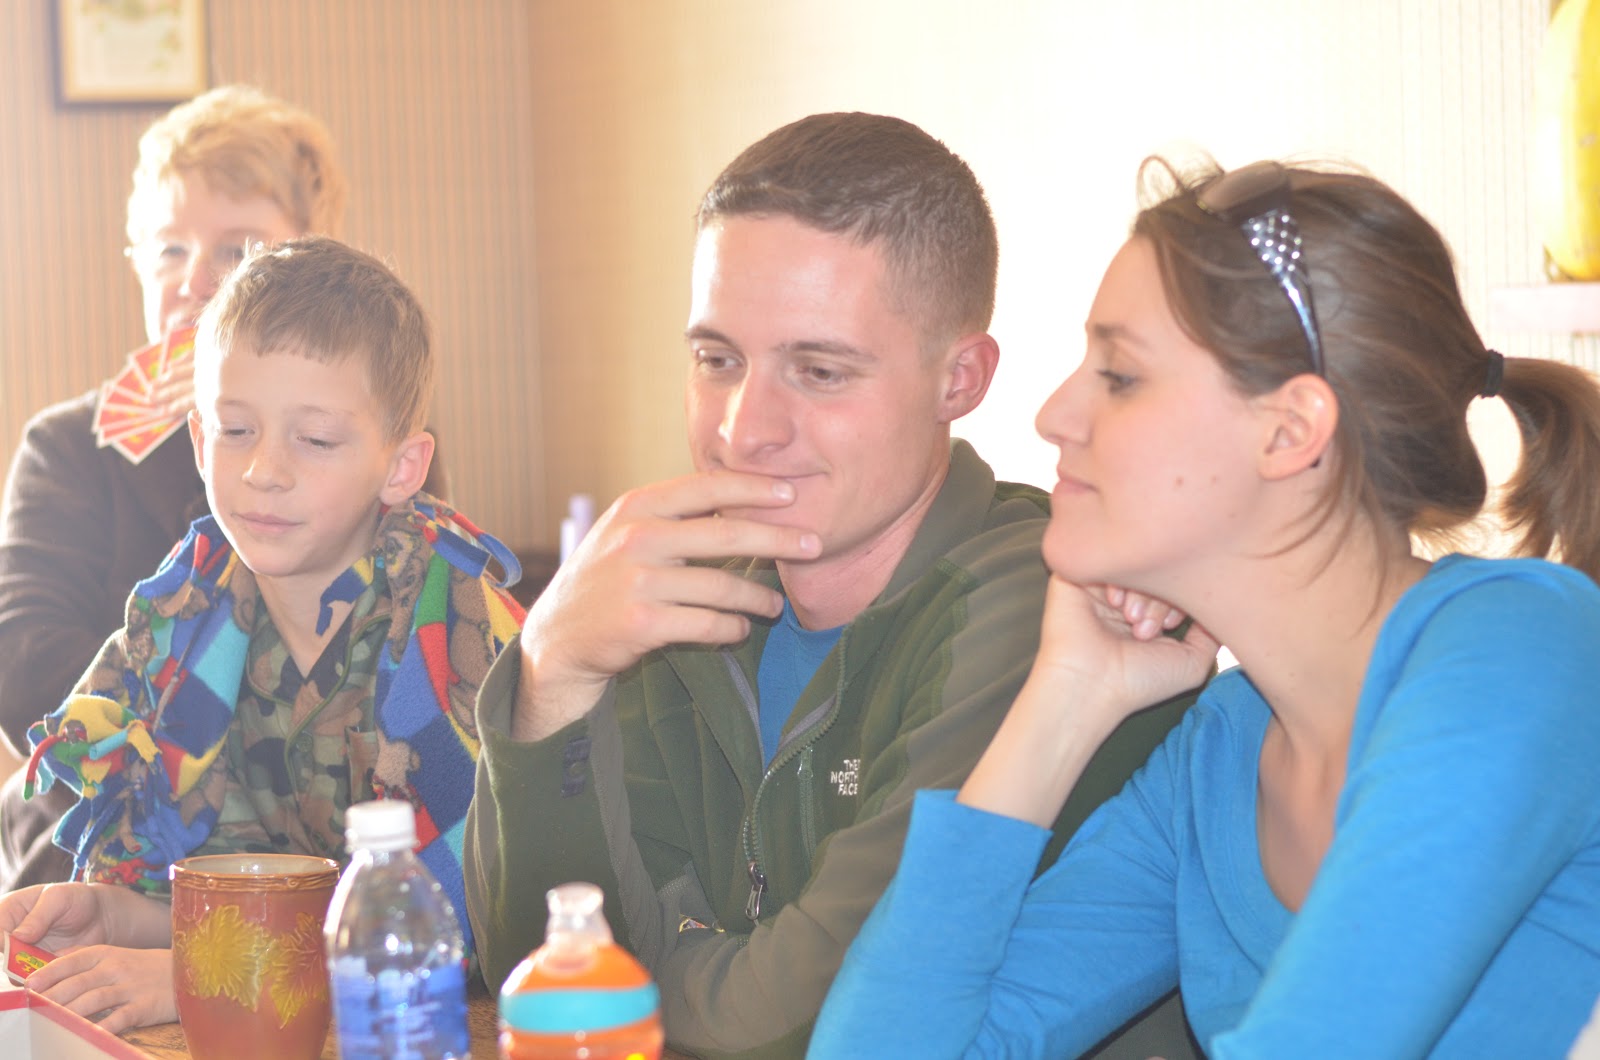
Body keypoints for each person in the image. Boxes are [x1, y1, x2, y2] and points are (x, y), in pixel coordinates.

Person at [810, 158, 1600, 1057]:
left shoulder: (1517, 655)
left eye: (1120, 375)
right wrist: (1064, 699)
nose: (1054, 414)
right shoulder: (1219, 754)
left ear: (1289, 432)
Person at [465, 112, 1198, 1059]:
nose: (744, 429)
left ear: (960, 379)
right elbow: (542, 985)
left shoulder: (1047, 607)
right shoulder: (676, 596)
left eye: (818, 371)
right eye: (716, 360)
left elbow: (809, 1026)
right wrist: (553, 672)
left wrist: (653, 971)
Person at [0, 236, 524, 1032]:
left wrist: (202, 979)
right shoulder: (182, 621)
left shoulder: (450, 631)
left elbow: (470, 927)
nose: (264, 470)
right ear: (197, 438)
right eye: (235, 430)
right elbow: (248, 889)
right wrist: (119, 917)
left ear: (402, 467)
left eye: (316, 440)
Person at [0, 85, 446, 890]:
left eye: (237, 250)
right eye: (169, 250)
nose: (195, 281)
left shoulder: (368, 436)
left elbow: (405, 635)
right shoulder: (66, 447)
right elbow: (25, 668)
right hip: (103, 829)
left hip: (326, 827)